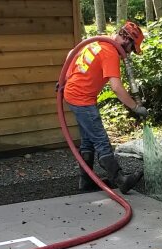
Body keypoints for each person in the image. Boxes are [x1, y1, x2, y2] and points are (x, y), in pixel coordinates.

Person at [63, 21, 148, 194]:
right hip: (82, 99)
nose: (130, 53)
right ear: (127, 40)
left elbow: (71, 54)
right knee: (101, 140)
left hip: (75, 95)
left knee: (88, 140)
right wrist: (135, 107)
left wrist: (65, 79)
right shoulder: (110, 52)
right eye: (132, 48)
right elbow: (116, 88)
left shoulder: (98, 42)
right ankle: (121, 180)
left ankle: (85, 182)